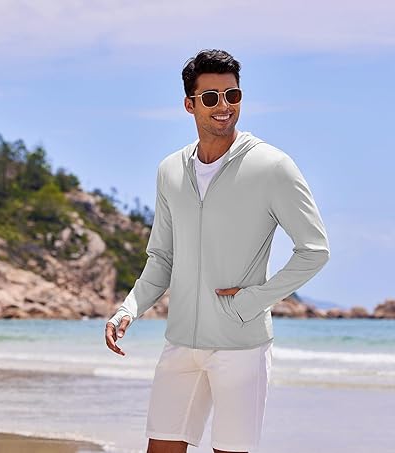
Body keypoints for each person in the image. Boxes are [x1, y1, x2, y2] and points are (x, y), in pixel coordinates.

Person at [104, 49, 330, 453]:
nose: (224, 106)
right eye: (211, 97)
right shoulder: (170, 170)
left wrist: (251, 303)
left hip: (241, 347)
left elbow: (314, 250)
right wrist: (128, 309)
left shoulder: (272, 166)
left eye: (233, 95)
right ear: (190, 105)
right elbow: (162, 257)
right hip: (181, 344)